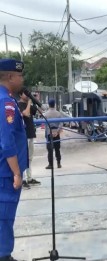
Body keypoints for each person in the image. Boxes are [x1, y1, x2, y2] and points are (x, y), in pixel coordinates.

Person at [0, 58, 28, 261]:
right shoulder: (6, 102)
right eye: (20, 75)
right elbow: (6, 140)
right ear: (10, 76)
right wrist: (17, 172)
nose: (22, 79)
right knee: (4, 217)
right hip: (6, 173)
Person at [18, 89, 41, 188]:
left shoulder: (29, 103)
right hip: (24, 135)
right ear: (20, 95)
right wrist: (29, 102)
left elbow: (38, 111)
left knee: (30, 158)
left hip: (31, 134)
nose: (27, 96)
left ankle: (29, 178)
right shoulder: (19, 104)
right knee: (24, 158)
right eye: (25, 94)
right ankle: (22, 179)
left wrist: (36, 100)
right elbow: (26, 113)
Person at [44, 99, 63, 169]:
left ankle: (51, 164)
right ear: (54, 104)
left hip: (49, 133)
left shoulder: (46, 114)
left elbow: (45, 125)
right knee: (57, 149)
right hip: (57, 133)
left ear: (48, 105)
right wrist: (57, 131)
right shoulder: (58, 113)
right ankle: (59, 163)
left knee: (50, 150)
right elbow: (61, 123)